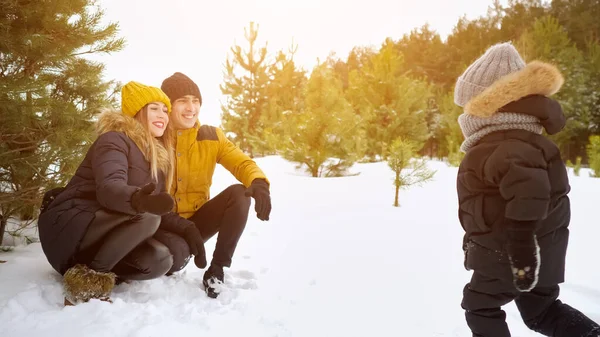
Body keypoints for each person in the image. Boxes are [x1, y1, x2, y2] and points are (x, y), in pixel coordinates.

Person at [454, 42, 600, 336]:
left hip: (509, 254)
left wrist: (521, 249)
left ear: (486, 101)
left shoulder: (504, 141)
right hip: (539, 253)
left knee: (480, 307)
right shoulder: (521, 138)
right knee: (541, 312)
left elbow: (530, 192)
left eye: (467, 102)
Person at [38, 81, 194, 305]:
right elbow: (109, 189)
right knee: (148, 217)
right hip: (72, 224)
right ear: (138, 112)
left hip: (103, 230)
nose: (163, 115)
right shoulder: (114, 140)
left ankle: (99, 265)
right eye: (154, 108)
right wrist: (140, 200)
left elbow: (155, 205)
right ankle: (86, 283)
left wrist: (188, 229)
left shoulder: (155, 157)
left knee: (161, 260)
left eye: (165, 109)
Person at [155, 72, 272, 298]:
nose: (191, 108)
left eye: (195, 101)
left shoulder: (211, 136)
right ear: (168, 106)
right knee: (174, 260)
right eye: (182, 101)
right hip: (163, 223)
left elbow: (241, 162)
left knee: (239, 194)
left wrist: (258, 182)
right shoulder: (155, 137)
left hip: (197, 222)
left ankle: (217, 269)